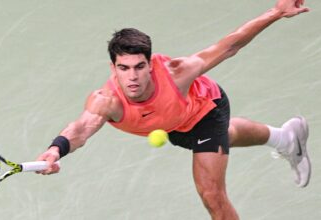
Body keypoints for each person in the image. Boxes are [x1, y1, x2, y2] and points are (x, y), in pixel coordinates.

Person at [36, 0, 311, 219]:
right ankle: (284, 137)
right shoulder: (107, 101)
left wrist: (275, 12)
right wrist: (55, 149)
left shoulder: (176, 74)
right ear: (113, 68)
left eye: (139, 67)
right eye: (123, 68)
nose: (132, 77)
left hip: (206, 109)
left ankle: (283, 139)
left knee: (211, 194)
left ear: (150, 64)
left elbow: (230, 45)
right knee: (225, 138)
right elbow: (81, 128)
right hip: (174, 124)